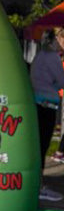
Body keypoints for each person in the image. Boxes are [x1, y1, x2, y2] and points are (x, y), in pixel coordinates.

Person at [30, 28, 64, 201]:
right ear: (55, 39)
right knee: (42, 146)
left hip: (41, 105)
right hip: (45, 106)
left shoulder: (43, 56)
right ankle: (38, 186)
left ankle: (37, 183)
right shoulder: (51, 58)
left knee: (40, 146)